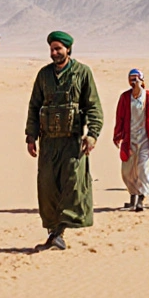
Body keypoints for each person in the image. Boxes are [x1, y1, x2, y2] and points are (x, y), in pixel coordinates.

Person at [25, 31, 102, 249]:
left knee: (72, 187)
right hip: (48, 143)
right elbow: (34, 106)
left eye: (58, 48)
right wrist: (31, 136)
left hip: (72, 142)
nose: (54, 53)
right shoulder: (44, 75)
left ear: (68, 49)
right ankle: (53, 232)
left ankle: (58, 233)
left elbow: (94, 107)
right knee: (48, 187)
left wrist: (92, 134)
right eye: (51, 49)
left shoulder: (82, 73)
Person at [112, 69, 149, 211]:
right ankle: (133, 197)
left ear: (142, 80)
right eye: (131, 79)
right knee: (127, 171)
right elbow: (120, 118)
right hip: (129, 139)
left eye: (136, 79)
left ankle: (141, 199)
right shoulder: (125, 97)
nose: (133, 81)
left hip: (144, 139)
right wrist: (117, 136)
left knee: (143, 169)